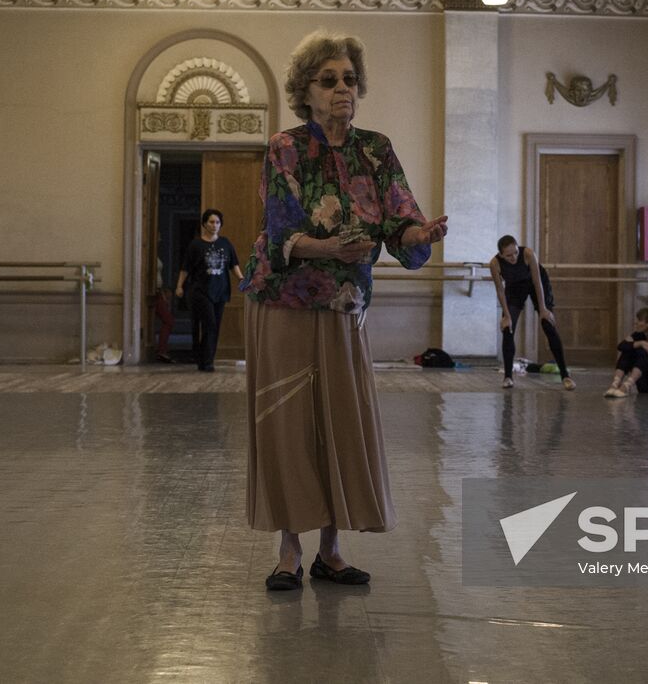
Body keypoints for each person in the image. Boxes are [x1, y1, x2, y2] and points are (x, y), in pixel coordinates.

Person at [241, 31, 447, 592]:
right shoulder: (285, 147)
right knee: (289, 424)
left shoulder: (375, 150)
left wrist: (416, 232)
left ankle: (331, 550)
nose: (341, 89)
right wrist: (328, 248)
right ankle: (289, 549)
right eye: (328, 80)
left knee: (340, 421)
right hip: (283, 301)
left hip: (343, 304)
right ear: (305, 91)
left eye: (349, 79)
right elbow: (281, 231)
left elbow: (400, 217)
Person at [489, 236, 574, 391]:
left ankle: (565, 375)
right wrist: (507, 316)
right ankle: (508, 376)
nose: (514, 257)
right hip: (515, 287)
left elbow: (537, 282)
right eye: (509, 255)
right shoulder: (494, 264)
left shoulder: (528, 254)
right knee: (508, 328)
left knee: (548, 324)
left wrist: (542, 309)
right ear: (501, 255)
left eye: (515, 253)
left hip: (537, 283)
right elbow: (500, 291)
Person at [175, 209, 243, 372]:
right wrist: (179, 286)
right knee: (209, 324)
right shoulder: (195, 245)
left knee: (214, 326)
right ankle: (205, 360)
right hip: (201, 291)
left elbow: (233, 265)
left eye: (217, 222)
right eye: (211, 222)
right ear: (205, 224)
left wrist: (242, 279)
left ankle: (206, 359)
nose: (214, 225)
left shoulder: (225, 243)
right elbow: (185, 268)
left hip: (220, 291)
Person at [604, 306, 648, 397]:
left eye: (639, 320)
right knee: (628, 351)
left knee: (646, 352)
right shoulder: (638, 335)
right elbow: (621, 346)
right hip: (645, 386)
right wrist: (641, 343)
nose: (636, 323)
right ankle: (615, 384)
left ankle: (626, 386)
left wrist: (638, 345)